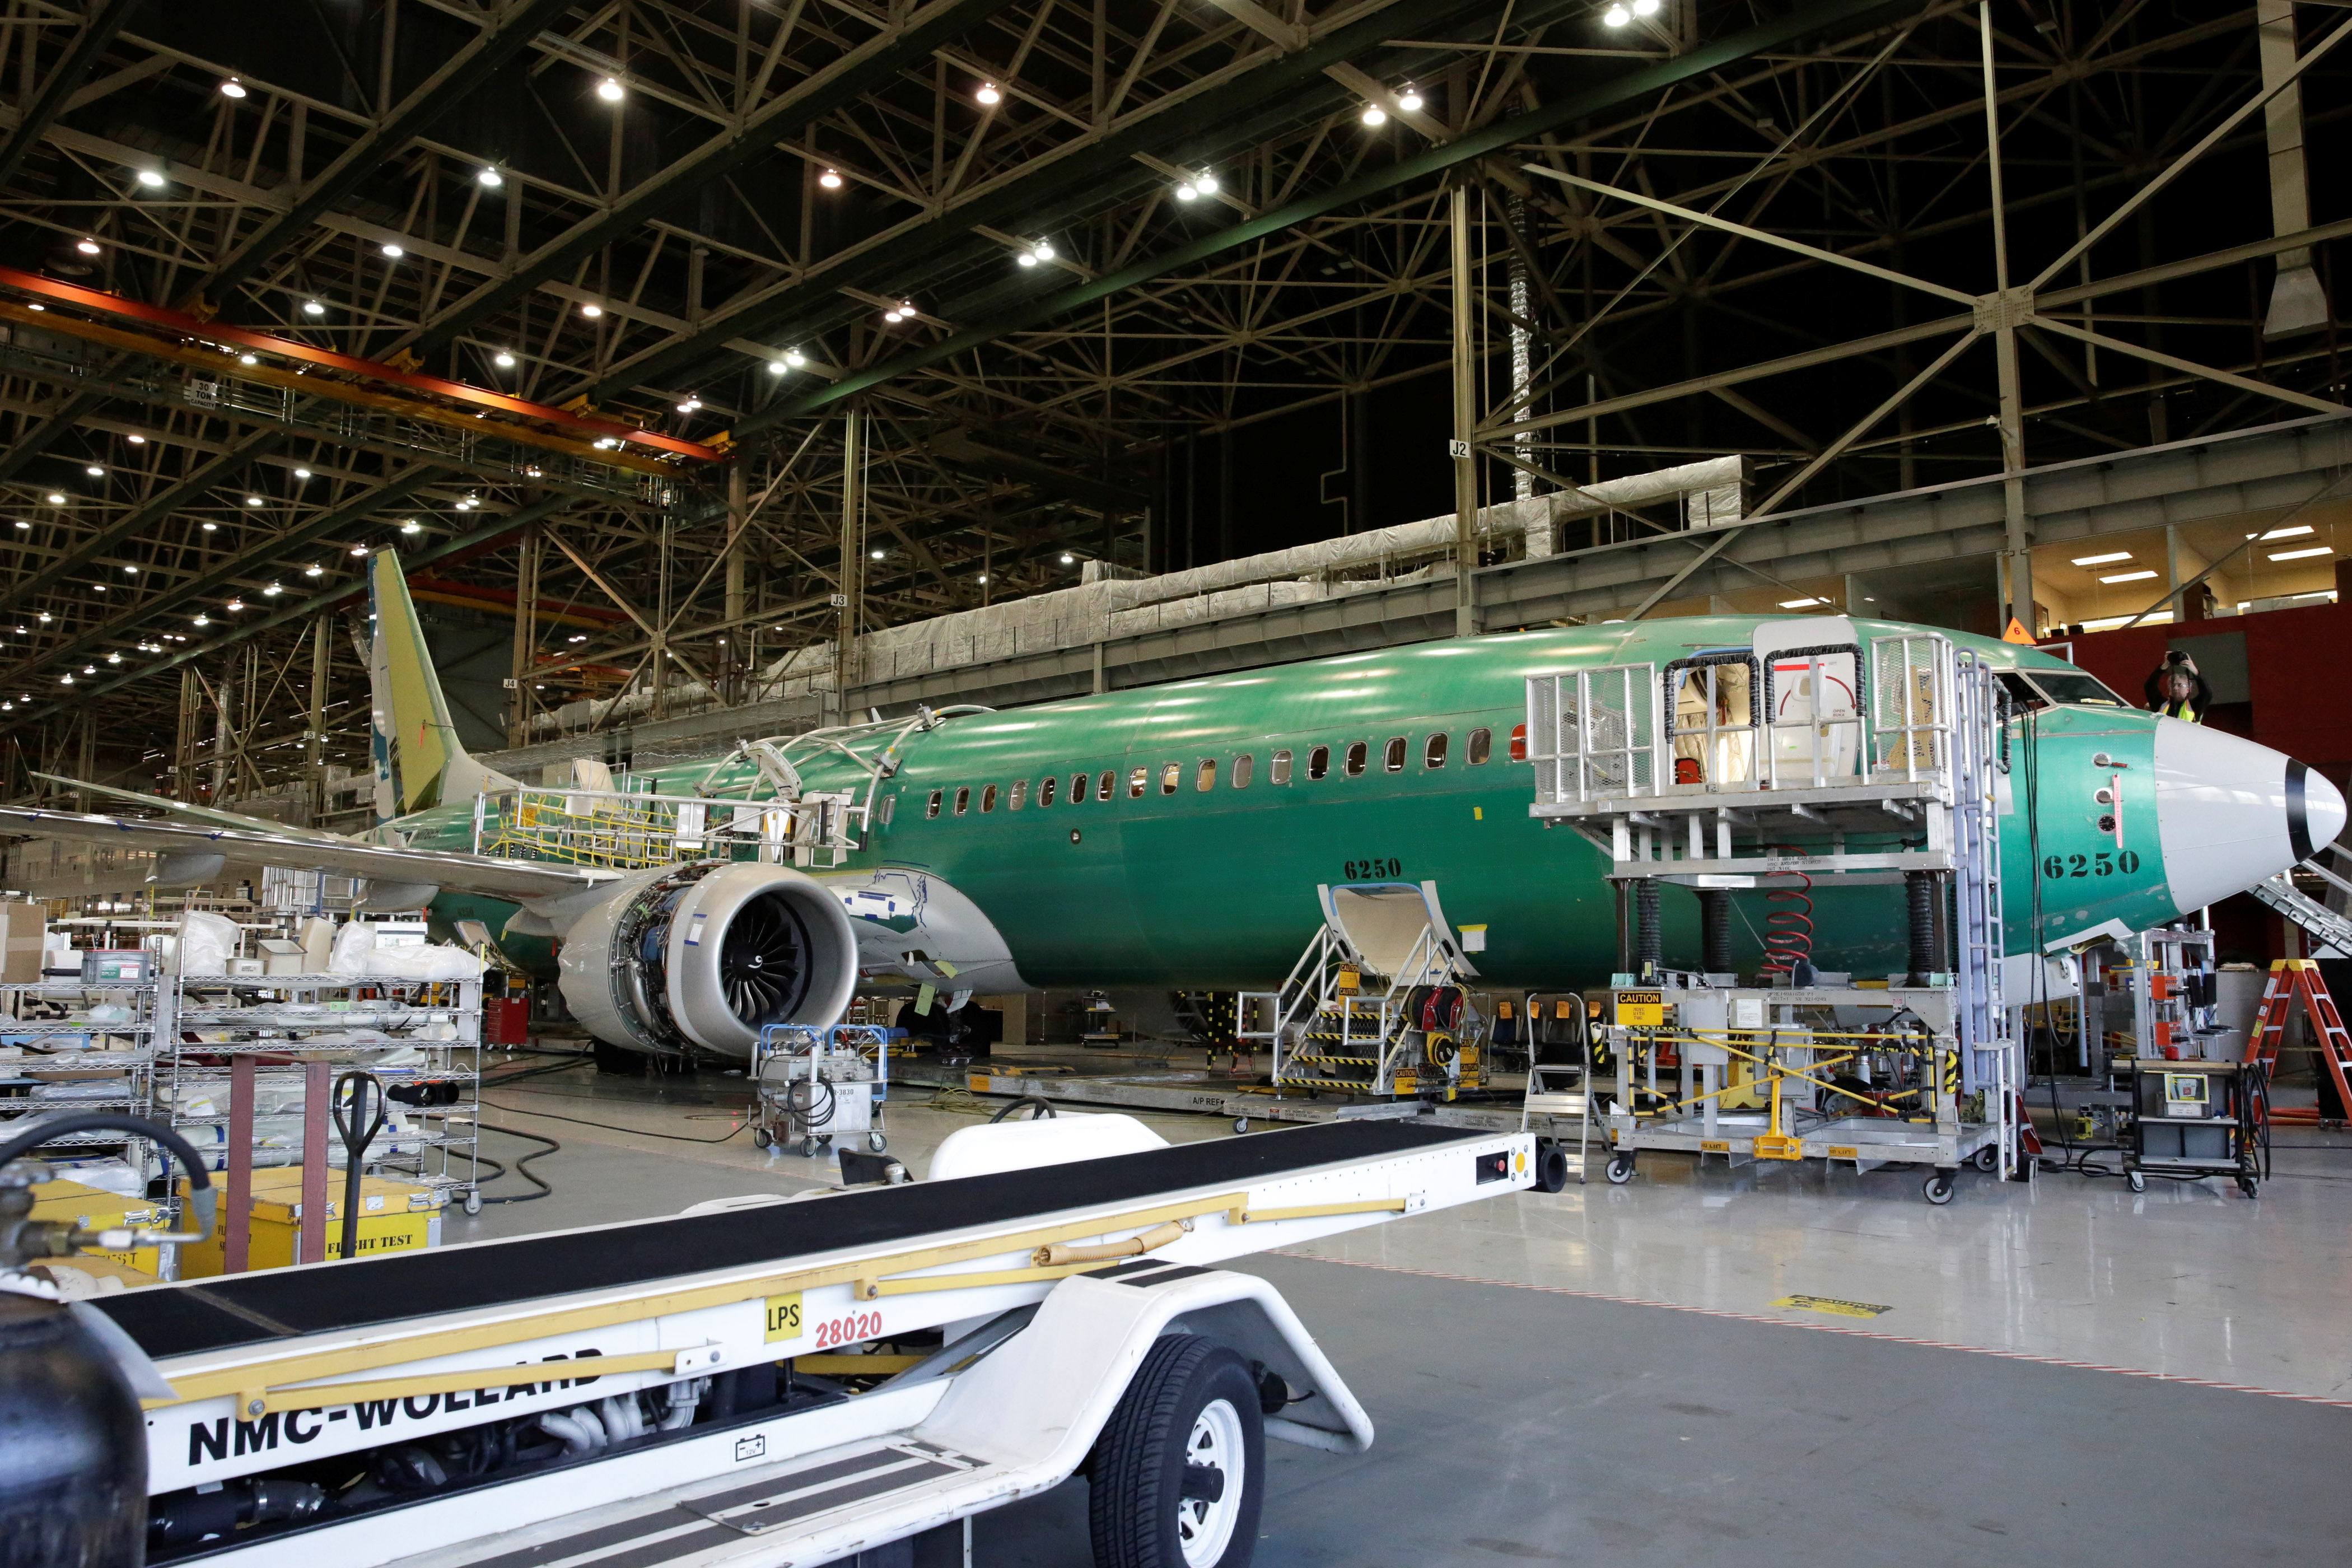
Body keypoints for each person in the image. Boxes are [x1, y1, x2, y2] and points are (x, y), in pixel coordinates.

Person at [2144, 649, 2210, 722]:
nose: (2175, 688)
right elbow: (2150, 686)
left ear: (2188, 689)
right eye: (2172, 685)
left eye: (2180, 685)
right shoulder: (2161, 705)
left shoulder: (2195, 706)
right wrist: (2163, 667)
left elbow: (2207, 693)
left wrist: (2195, 671)